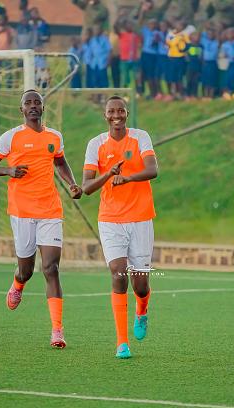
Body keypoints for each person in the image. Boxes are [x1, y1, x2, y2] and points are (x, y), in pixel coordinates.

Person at [0, 90, 82, 349]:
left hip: (50, 211)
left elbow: (61, 163)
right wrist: (9, 170)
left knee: (51, 268)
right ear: (22, 110)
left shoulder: (54, 137)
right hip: (22, 213)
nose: (33, 105)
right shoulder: (11, 137)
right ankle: (18, 284)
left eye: (37, 102)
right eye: (28, 102)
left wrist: (71, 183)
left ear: (43, 108)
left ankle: (57, 330)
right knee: (26, 270)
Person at [81, 95, 158, 359]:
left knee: (141, 285)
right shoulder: (96, 144)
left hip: (140, 218)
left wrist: (127, 178)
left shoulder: (140, 137)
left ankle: (142, 309)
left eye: (121, 111)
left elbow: (153, 170)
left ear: (126, 113)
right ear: (105, 115)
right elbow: (86, 187)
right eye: (111, 111)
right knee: (118, 273)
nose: (116, 115)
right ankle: (122, 342)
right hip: (110, 219)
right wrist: (109, 174)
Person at [220, 27, 234, 98]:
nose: (231, 35)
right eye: (229, 33)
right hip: (229, 63)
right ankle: (229, 90)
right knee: (230, 76)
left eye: (233, 33)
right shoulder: (225, 45)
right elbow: (223, 54)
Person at [201, 26, 219, 100]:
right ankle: (205, 95)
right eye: (208, 34)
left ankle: (211, 95)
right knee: (205, 79)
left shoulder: (216, 42)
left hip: (213, 62)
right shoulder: (204, 41)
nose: (210, 35)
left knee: (212, 79)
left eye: (211, 34)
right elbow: (201, 34)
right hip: (205, 62)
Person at [185, 31, 203, 100]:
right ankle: (188, 94)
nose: (197, 37)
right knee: (189, 80)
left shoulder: (200, 46)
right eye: (195, 36)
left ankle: (194, 94)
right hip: (190, 65)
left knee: (196, 81)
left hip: (198, 65)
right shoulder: (188, 46)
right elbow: (185, 54)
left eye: (198, 36)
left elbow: (201, 56)